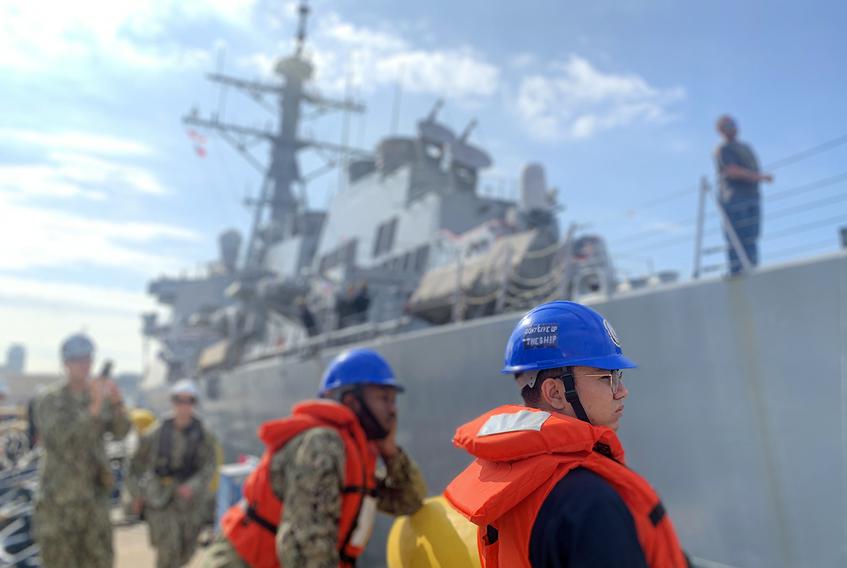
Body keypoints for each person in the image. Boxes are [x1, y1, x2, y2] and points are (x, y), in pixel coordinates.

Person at [445, 301, 688, 567]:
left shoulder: (508, 484)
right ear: (555, 393)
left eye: (618, 376)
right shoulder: (588, 503)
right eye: (606, 378)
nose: (621, 391)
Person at [201, 347, 426, 567]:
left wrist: (390, 453)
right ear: (351, 401)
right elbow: (306, 544)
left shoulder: (354, 455)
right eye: (383, 398)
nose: (392, 410)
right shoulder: (323, 445)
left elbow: (410, 501)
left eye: (393, 400)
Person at [32, 333, 132, 568]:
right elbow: (62, 440)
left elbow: (121, 432)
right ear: (65, 364)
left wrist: (117, 404)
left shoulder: (97, 395)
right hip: (59, 504)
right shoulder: (49, 399)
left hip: (94, 501)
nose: (85, 365)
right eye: (78, 360)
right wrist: (95, 407)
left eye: (88, 359)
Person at [127, 379, 218, 568]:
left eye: (189, 401)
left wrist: (192, 486)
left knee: (187, 550)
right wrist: (136, 494)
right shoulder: (157, 432)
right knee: (168, 551)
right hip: (161, 498)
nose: (183, 406)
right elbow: (135, 463)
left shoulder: (204, 435)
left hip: (190, 502)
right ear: (173, 402)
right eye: (179, 400)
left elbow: (209, 466)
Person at [714, 115, 774, 275]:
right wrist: (760, 177)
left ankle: (751, 268)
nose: (730, 128)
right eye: (725, 126)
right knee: (737, 239)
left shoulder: (745, 147)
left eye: (732, 125)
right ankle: (737, 270)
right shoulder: (724, 149)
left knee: (752, 237)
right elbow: (733, 171)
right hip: (735, 200)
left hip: (752, 198)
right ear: (720, 131)